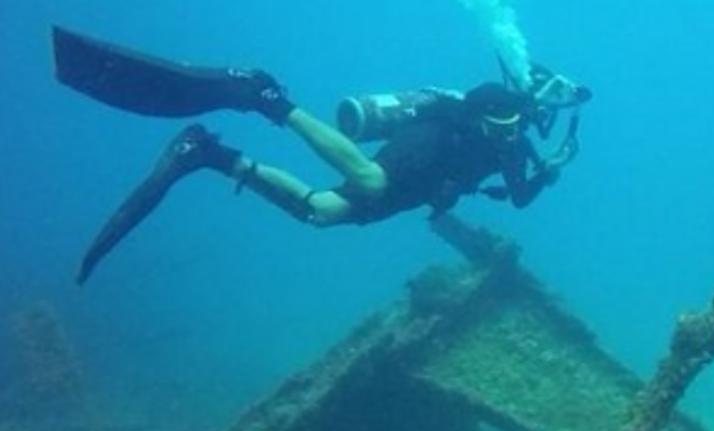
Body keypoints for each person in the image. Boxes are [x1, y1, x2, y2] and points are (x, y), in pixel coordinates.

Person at [51, 27, 585, 284]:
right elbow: (472, 111)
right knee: (371, 181)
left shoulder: (519, 150)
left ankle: (210, 155)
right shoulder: (495, 106)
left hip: (425, 187)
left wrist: (551, 169)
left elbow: (518, 199)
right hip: (425, 150)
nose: (515, 128)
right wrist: (525, 133)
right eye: (511, 120)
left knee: (320, 214)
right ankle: (267, 98)